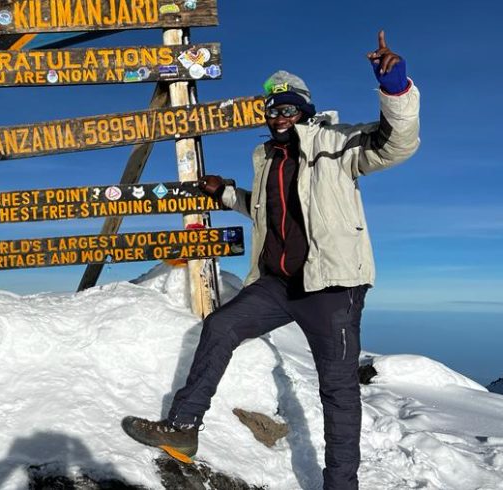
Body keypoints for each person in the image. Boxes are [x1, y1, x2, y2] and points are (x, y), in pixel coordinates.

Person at [121, 31, 419, 489]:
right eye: (273, 110)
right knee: (220, 326)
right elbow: (263, 209)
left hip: (331, 287)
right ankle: (183, 428)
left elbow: (396, 144)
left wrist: (395, 89)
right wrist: (225, 193)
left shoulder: (336, 144)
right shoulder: (267, 157)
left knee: (337, 390)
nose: (279, 117)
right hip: (278, 284)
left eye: (288, 109)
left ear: (304, 110)